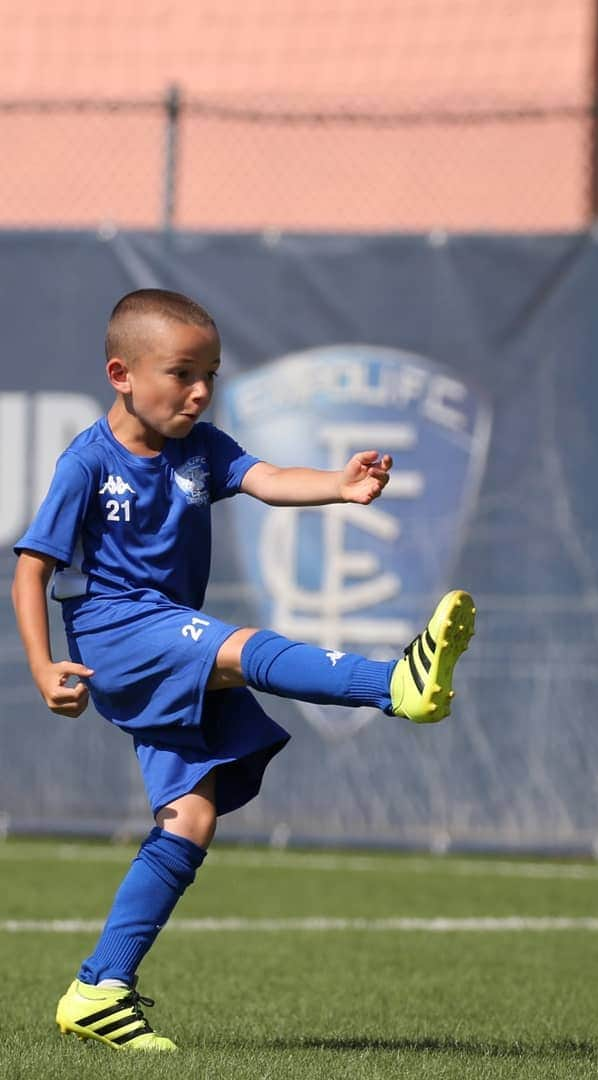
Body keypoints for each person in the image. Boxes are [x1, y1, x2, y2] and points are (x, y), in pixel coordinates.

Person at [9, 288, 476, 1052]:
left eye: (211, 375)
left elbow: (267, 479)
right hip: (116, 635)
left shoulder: (202, 446)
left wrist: (340, 485)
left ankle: (99, 989)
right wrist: (40, 665)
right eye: (182, 373)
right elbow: (31, 569)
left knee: (190, 822)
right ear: (121, 373)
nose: (199, 391)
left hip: (167, 639)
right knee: (241, 644)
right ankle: (393, 685)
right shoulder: (87, 461)